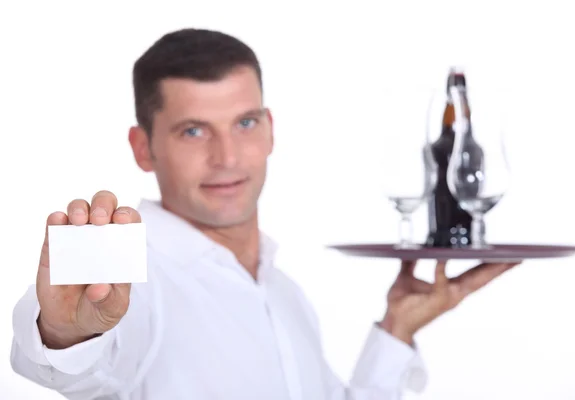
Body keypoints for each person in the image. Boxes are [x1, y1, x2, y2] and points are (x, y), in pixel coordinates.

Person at [10, 28, 519, 400]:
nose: (228, 157)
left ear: (270, 128)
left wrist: (397, 330)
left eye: (245, 122)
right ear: (143, 148)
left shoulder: (283, 292)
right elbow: (90, 361)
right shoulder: (132, 282)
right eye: (193, 130)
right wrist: (68, 333)